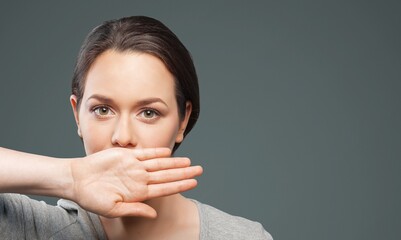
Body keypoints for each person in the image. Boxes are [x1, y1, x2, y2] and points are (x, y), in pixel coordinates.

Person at [0, 16, 273, 239]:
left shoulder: (245, 237)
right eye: (102, 110)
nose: (123, 137)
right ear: (77, 115)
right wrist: (70, 176)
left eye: (149, 112)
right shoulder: (30, 229)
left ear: (183, 120)